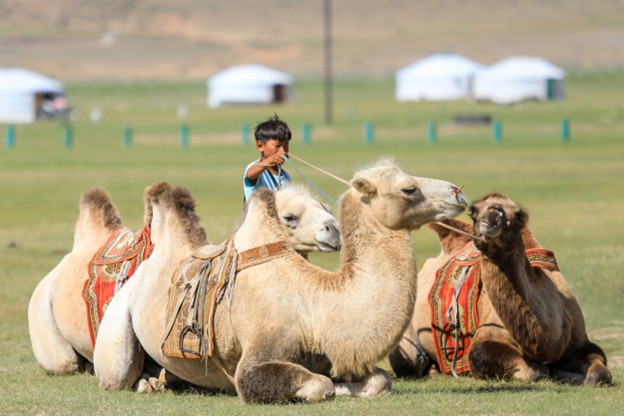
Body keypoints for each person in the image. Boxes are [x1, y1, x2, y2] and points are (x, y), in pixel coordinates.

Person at [243, 114, 292, 202]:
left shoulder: (286, 176)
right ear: (260, 146)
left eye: (286, 146)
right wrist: (270, 160)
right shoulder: (257, 169)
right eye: (277, 146)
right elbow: (250, 174)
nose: (283, 151)